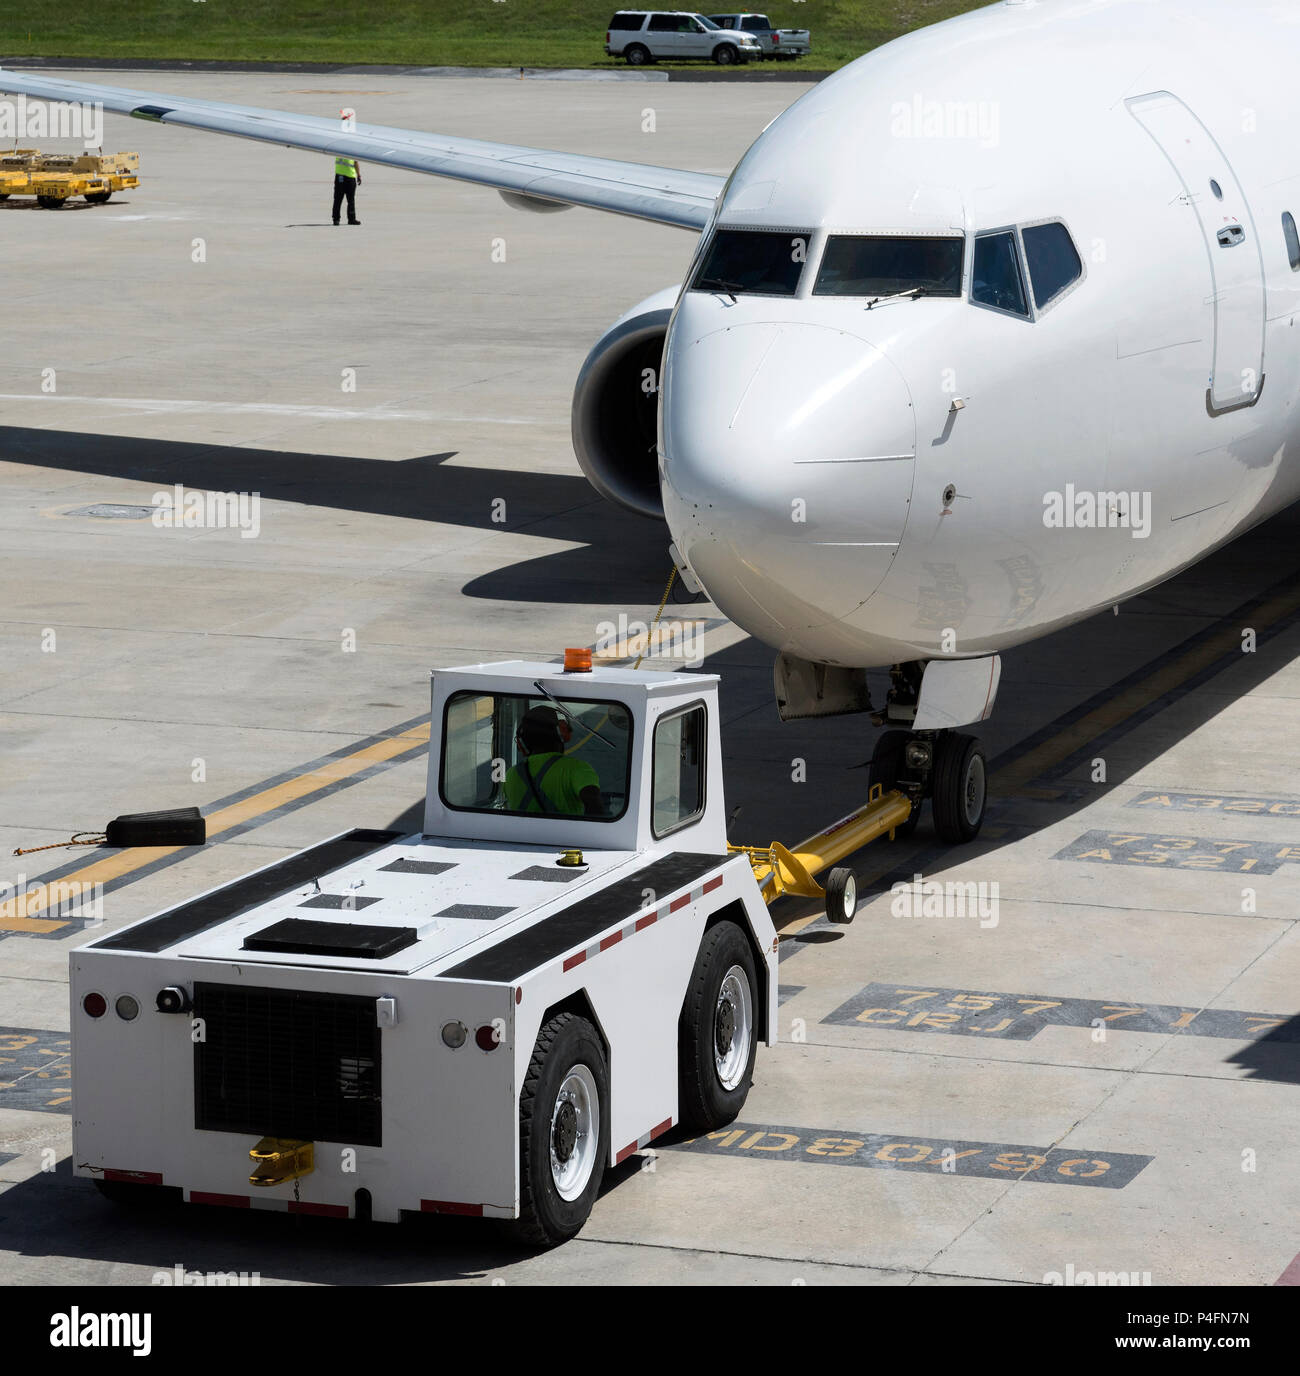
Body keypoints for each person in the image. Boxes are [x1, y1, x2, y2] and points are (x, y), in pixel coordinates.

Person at [504, 707, 602, 816]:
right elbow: (595, 809)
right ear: (562, 733)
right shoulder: (577, 768)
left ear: (521, 743)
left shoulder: (511, 774)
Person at [332, 155, 361, 226]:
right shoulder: (351, 151)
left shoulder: (338, 150)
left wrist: (358, 175)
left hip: (341, 177)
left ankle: (336, 219)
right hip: (348, 177)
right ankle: (350, 219)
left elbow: (355, 162)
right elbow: (356, 163)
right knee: (349, 200)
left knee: (339, 199)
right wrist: (359, 175)